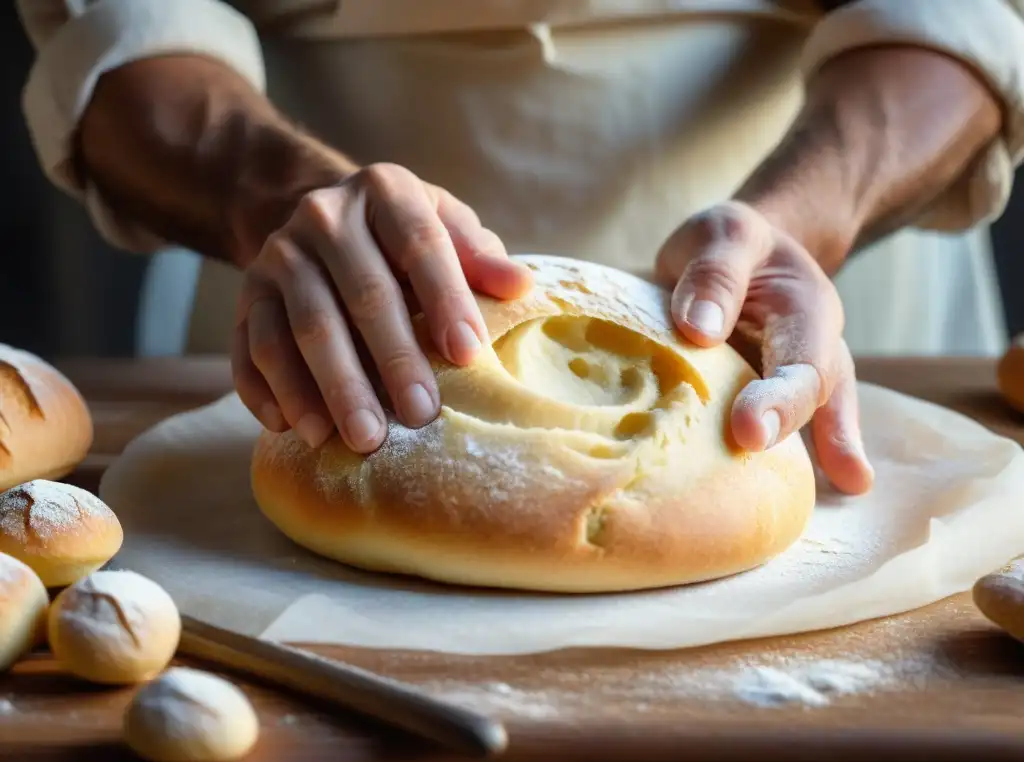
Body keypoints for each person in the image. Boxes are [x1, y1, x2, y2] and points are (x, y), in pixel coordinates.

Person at [15, 1, 1024, 498]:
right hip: (332, 312)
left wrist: (803, 218)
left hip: (787, 304)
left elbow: (952, 15)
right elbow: (121, 27)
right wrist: (278, 195)